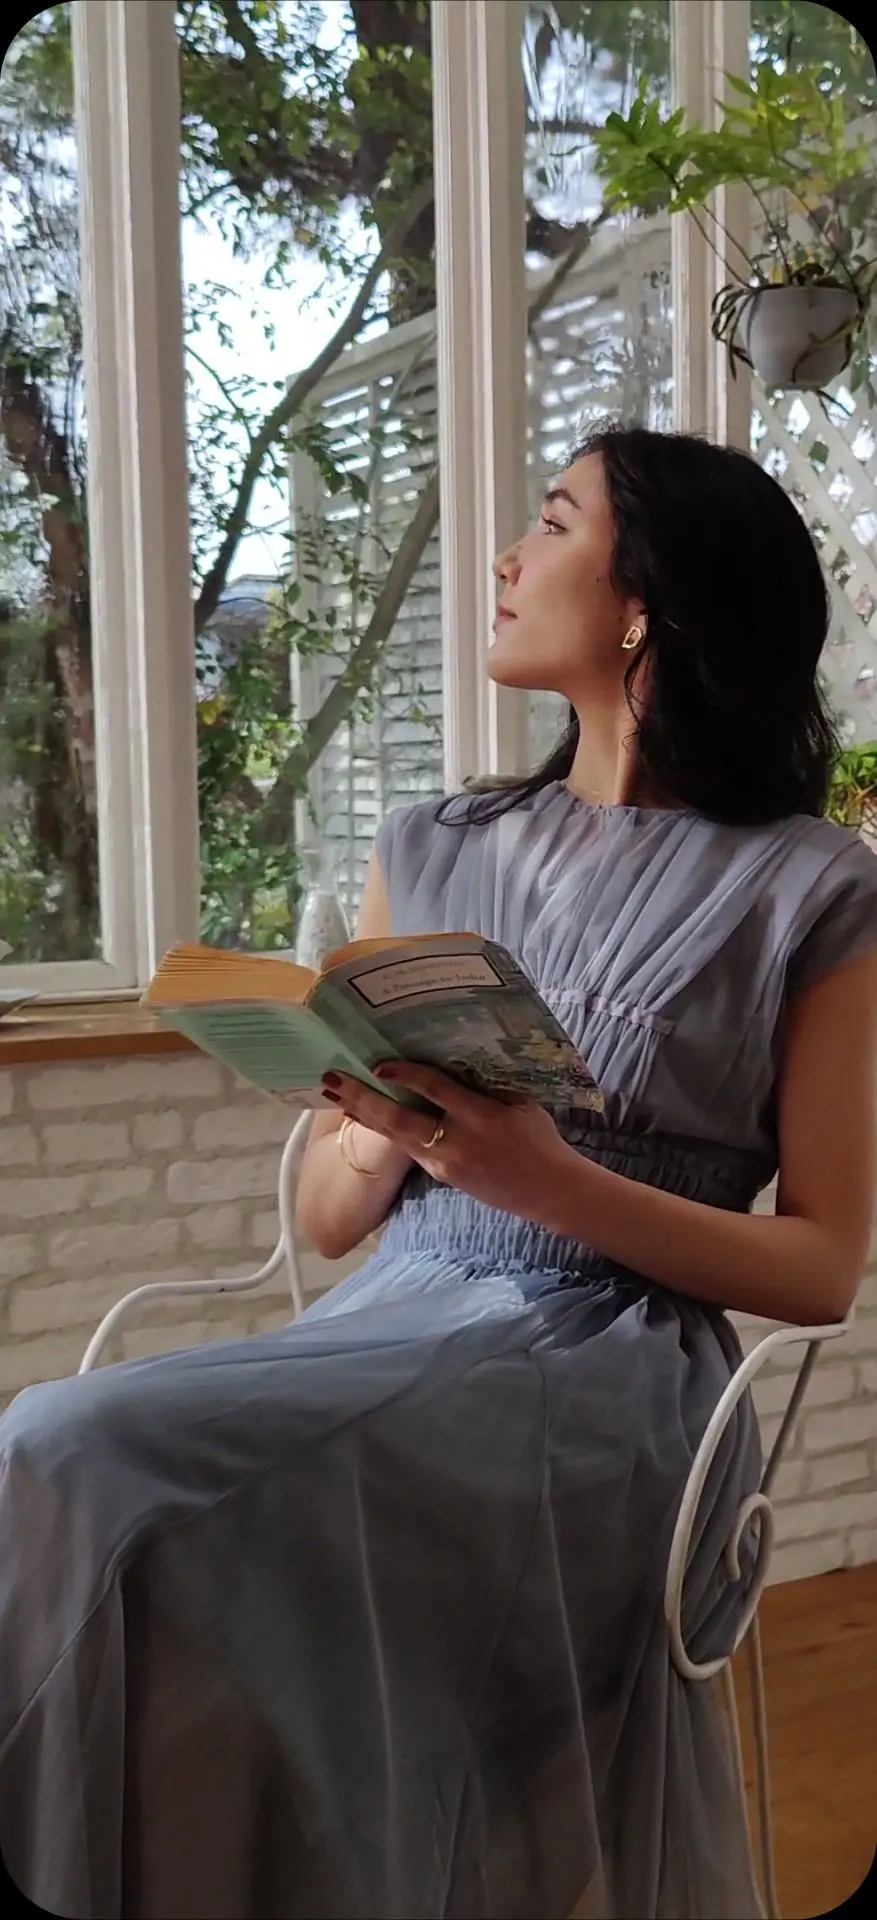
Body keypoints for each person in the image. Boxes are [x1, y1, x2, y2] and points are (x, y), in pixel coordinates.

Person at [2, 424, 877, 1920]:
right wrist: (378, 1116)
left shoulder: (814, 886)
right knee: (96, 1512)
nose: (505, 558)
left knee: (67, 1446)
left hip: (612, 1380)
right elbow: (331, 1220)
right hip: (394, 1319)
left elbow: (822, 1268)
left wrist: (540, 1179)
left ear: (646, 602)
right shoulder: (435, 843)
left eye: (553, 523)